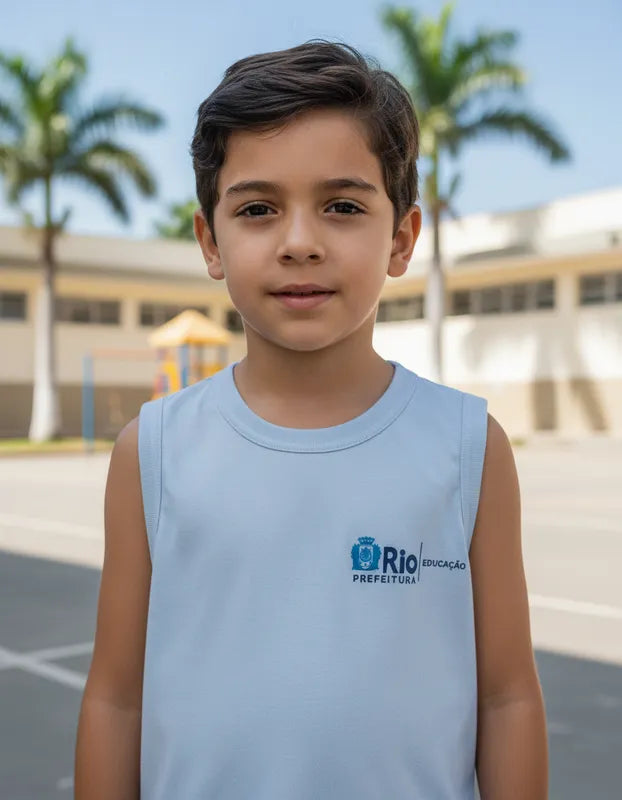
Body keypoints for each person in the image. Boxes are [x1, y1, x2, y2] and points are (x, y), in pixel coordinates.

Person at [74, 40, 548, 799]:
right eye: (258, 209)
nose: (300, 243)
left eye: (343, 206)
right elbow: (115, 698)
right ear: (210, 241)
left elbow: (508, 697)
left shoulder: (468, 447)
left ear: (401, 239)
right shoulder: (152, 450)